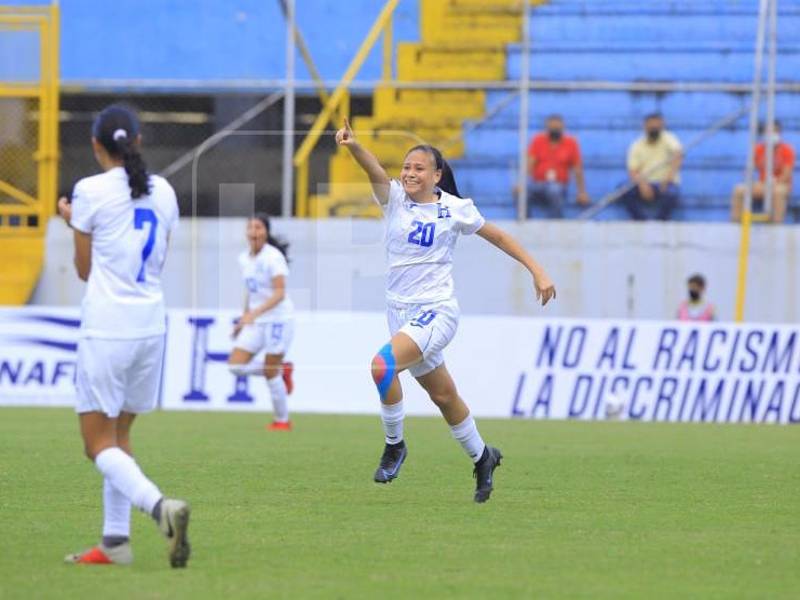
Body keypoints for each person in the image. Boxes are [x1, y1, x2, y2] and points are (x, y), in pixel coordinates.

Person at [336, 118, 556, 503]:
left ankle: (395, 446)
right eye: (406, 167)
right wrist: (354, 146)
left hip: (436, 312)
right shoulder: (394, 201)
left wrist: (537, 271)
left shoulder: (456, 209)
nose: (409, 174)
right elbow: (373, 168)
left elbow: (500, 237)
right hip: (400, 314)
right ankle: (483, 456)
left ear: (437, 174)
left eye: (419, 168)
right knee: (444, 397)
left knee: (382, 366)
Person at [56, 104, 190, 568]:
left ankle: (160, 508)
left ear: (97, 146)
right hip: (151, 325)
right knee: (118, 436)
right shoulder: (166, 192)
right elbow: (156, 260)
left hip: (108, 327)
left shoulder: (89, 191)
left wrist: (71, 222)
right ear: (138, 142)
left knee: (96, 443)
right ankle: (116, 543)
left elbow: (84, 269)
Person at [228, 213, 295, 431]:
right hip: (257, 320)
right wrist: (243, 319)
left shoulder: (273, 257)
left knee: (269, 374)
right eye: (251, 228)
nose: (254, 232)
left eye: (258, 228)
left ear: (266, 232)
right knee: (236, 366)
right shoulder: (243, 259)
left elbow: (279, 294)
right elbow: (250, 292)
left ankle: (282, 421)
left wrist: (252, 315)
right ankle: (281, 369)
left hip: (278, 319)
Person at [620, 113, 683, 220]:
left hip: (665, 182)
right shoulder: (637, 145)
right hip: (644, 182)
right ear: (645, 126)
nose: (654, 127)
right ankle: (640, 221)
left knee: (671, 194)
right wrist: (642, 184)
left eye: (657, 125)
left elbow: (678, 155)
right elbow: (633, 170)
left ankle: (661, 221)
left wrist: (668, 178)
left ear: (662, 125)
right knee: (623, 189)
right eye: (651, 125)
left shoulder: (669, 139)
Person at [525, 114, 589, 218]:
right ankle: (525, 221)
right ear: (547, 128)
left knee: (554, 190)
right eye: (552, 128)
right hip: (539, 184)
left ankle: (555, 221)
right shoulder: (538, 141)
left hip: (559, 185)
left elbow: (577, 170)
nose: (554, 130)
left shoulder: (571, 143)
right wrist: (521, 184)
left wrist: (582, 192)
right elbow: (529, 164)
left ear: (562, 128)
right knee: (523, 193)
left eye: (557, 128)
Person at [730, 121, 795, 224]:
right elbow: (749, 169)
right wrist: (749, 177)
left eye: (774, 131)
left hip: (780, 184)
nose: (770, 134)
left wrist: (774, 182)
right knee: (738, 190)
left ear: (779, 132)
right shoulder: (758, 149)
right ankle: (735, 223)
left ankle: (776, 225)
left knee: (778, 192)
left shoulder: (787, 150)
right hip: (762, 184)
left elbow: (786, 174)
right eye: (767, 131)